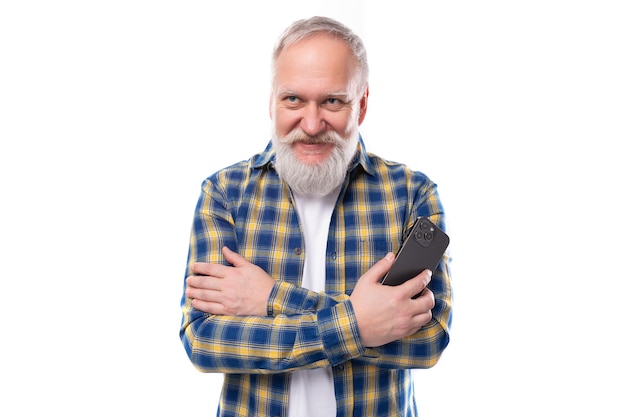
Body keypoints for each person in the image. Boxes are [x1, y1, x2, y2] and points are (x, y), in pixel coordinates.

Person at [179, 15, 453, 417]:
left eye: (332, 101)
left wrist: (271, 298)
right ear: (271, 101)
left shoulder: (412, 194)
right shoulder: (224, 193)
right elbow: (204, 341)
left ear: (360, 105)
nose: (310, 124)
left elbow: (428, 340)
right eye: (294, 99)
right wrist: (360, 323)